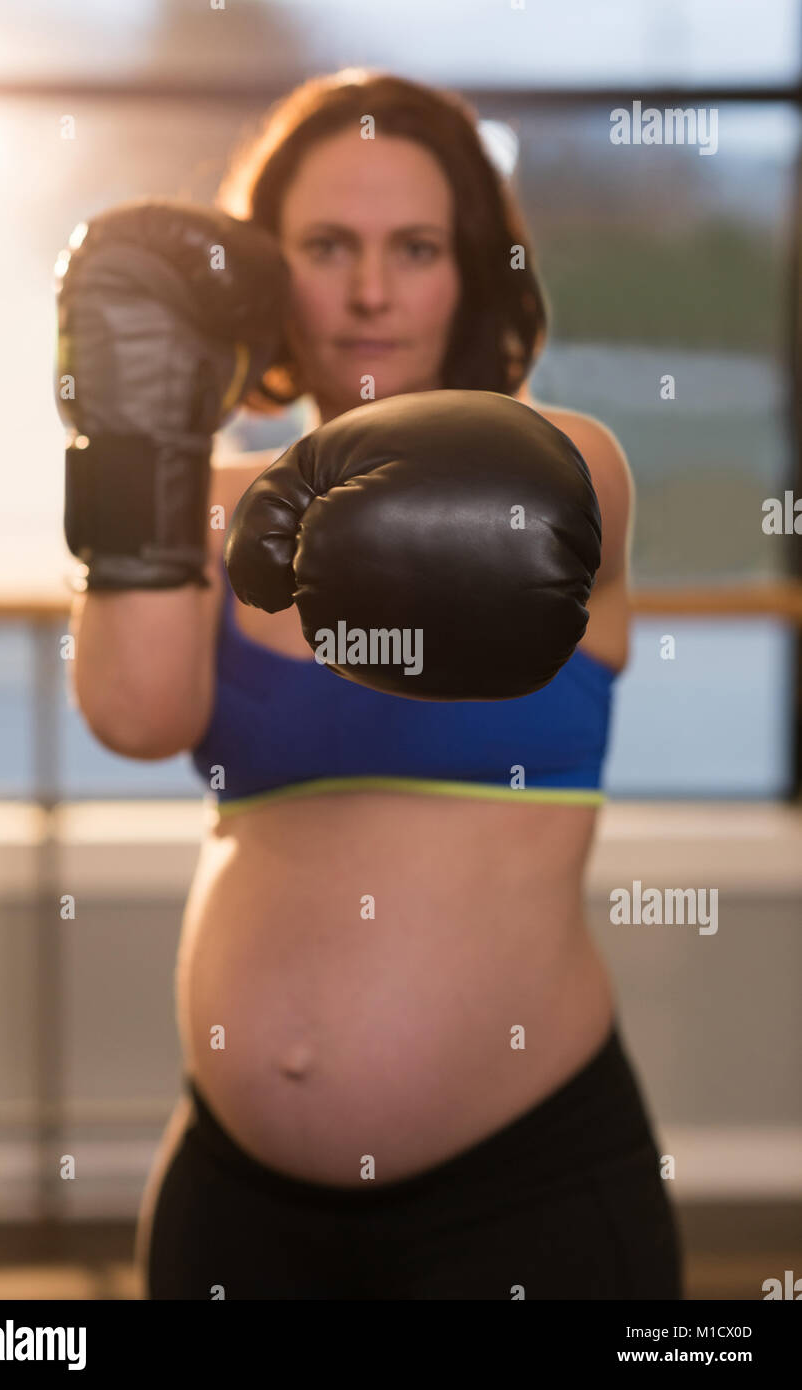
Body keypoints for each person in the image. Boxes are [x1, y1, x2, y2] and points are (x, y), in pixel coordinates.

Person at [63, 69, 683, 1299]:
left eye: (415, 247)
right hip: (237, 1200)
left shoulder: (564, 470)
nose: (369, 290)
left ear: (471, 274)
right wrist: (142, 442)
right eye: (327, 246)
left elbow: (565, 501)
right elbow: (136, 718)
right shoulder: (205, 501)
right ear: (266, 273)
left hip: (524, 1197)